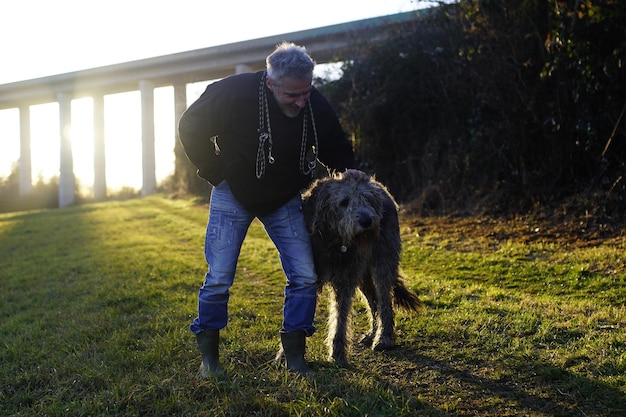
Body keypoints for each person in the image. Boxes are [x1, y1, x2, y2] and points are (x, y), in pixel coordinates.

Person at [178, 42, 362, 376]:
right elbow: (190, 126)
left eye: (306, 92)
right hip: (233, 193)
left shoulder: (311, 100)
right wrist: (217, 172)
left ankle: (295, 358)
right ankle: (210, 362)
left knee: (305, 276)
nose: (301, 101)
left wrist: (348, 167)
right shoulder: (231, 92)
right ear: (270, 82)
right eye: (292, 95)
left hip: (283, 198)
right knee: (219, 276)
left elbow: (334, 140)